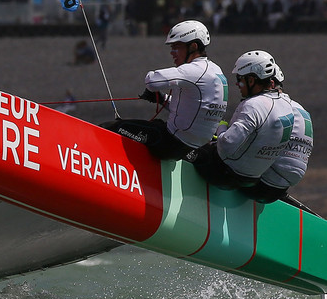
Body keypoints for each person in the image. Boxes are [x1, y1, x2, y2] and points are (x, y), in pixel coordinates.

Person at [192, 50, 313, 204]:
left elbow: (230, 144)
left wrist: (220, 131)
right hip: (280, 188)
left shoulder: (262, 105)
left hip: (260, 183)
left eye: (240, 80)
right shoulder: (298, 109)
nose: (237, 85)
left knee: (199, 146)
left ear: (269, 82)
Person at [106, 20, 227, 161]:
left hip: (170, 144)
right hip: (189, 148)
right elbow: (192, 109)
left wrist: (153, 88)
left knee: (112, 127)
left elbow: (152, 80)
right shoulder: (216, 70)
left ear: (193, 46)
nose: (172, 52)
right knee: (154, 125)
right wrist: (162, 99)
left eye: (177, 47)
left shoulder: (195, 70)